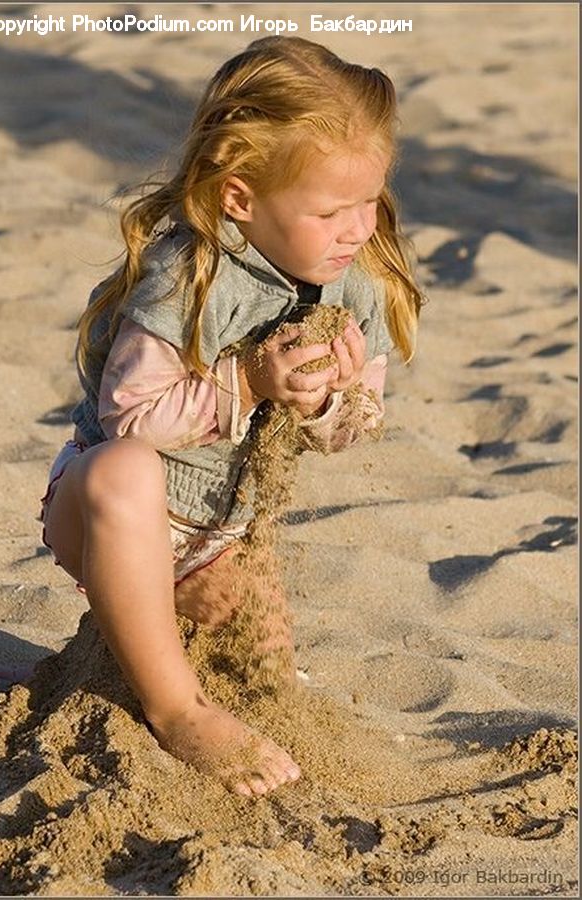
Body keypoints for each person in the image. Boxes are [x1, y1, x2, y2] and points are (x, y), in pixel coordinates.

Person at [40, 36, 423, 799]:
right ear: (240, 197)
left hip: (225, 538)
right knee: (124, 468)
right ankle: (176, 710)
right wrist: (248, 377)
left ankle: (176, 662)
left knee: (271, 687)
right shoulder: (192, 273)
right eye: (329, 210)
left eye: (369, 200)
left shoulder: (355, 279)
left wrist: (325, 405)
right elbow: (129, 419)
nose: (357, 228)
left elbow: (358, 427)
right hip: (109, 513)